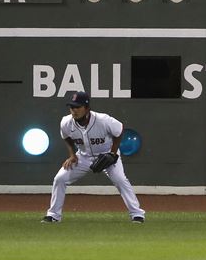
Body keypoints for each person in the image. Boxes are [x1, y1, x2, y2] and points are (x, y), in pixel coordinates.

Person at [41, 91, 145, 223]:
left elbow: (119, 130)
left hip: (106, 153)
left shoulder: (103, 120)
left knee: (120, 179)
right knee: (60, 179)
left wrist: (112, 153)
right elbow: (66, 137)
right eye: (72, 107)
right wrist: (72, 155)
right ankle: (53, 215)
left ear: (87, 108)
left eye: (78, 107)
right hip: (83, 157)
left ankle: (137, 214)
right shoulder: (66, 122)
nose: (74, 110)